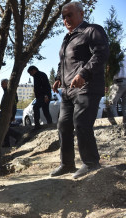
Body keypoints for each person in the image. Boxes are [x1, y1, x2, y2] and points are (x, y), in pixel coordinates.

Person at [50, 2, 109, 179]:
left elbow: (101, 53)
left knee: (81, 122)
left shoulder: (92, 30)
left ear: (81, 14)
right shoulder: (67, 38)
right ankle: (67, 164)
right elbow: (64, 61)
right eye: (63, 17)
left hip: (87, 87)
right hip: (68, 91)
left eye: (70, 15)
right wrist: (58, 78)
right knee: (63, 125)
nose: (66, 19)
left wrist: (84, 73)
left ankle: (91, 163)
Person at [0, 79, 20, 147]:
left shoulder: (11, 92)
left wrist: (13, 114)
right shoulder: (6, 92)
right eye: (1, 84)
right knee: (4, 128)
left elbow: (14, 104)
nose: (1, 86)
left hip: (8, 113)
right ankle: (6, 143)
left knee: (5, 128)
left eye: (2, 84)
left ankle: (18, 136)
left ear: (7, 84)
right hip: (5, 113)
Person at [109, 57, 126, 123]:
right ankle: (124, 123)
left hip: (119, 82)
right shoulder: (124, 56)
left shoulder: (114, 57)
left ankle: (117, 123)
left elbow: (110, 70)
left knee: (112, 103)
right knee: (124, 105)